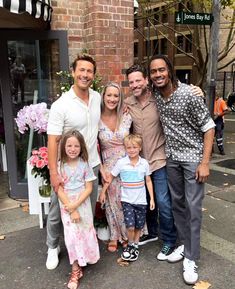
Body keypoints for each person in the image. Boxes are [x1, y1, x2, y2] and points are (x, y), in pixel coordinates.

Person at [149, 54, 215, 285]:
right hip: (172, 159)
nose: (158, 74)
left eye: (161, 70)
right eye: (154, 71)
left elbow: (209, 127)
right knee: (178, 205)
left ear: (170, 71)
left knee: (193, 208)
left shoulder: (188, 94)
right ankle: (184, 245)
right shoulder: (156, 95)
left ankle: (192, 257)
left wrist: (205, 162)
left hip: (193, 160)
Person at [46, 54, 101, 270]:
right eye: (81, 70)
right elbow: (53, 141)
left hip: (91, 165)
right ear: (73, 72)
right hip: (67, 169)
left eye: (89, 71)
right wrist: (53, 172)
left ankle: (83, 249)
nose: (85, 75)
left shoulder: (97, 97)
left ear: (93, 76)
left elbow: (114, 109)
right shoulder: (61, 105)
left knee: (86, 210)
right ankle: (52, 247)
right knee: (56, 211)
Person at [125, 64, 177, 260]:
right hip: (140, 164)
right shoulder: (128, 103)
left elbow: (178, 91)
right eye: (131, 82)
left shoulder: (159, 98)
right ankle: (152, 232)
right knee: (144, 201)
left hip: (159, 160)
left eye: (138, 80)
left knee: (163, 201)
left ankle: (169, 240)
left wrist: (196, 90)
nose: (135, 84)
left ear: (146, 80)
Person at [100, 134, 155, 262]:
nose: (131, 150)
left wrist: (152, 198)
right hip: (127, 201)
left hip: (141, 201)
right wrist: (102, 192)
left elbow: (148, 181)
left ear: (140, 148)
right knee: (130, 226)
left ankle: (135, 245)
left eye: (134, 147)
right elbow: (110, 178)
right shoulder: (121, 163)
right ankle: (130, 244)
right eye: (129, 147)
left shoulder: (144, 164)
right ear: (125, 148)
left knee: (138, 226)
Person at [57, 130, 100, 289]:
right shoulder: (60, 165)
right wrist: (71, 207)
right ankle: (75, 270)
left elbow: (89, 188)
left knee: (83, 232)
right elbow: (59, 189)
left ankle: (82, 261)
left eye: (76, 145)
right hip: (66, 204)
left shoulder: (84, 165)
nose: (72, 148)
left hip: (82, 204)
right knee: (71, 237)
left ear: (81, 147)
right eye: (69, 145)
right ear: (64, 146)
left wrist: (76, 205)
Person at [98, 82, 132, 252]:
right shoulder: (95, 117)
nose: (112, 99)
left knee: (124, 199)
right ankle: (114, 235)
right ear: (103, 96)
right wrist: (100, 168)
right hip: (107, 165)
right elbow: (91, 145)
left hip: (126, 163)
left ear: (120, 99)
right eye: (109, 95)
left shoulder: (127, 115)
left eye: (116, 96)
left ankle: (126, 234)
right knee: (111, 201)